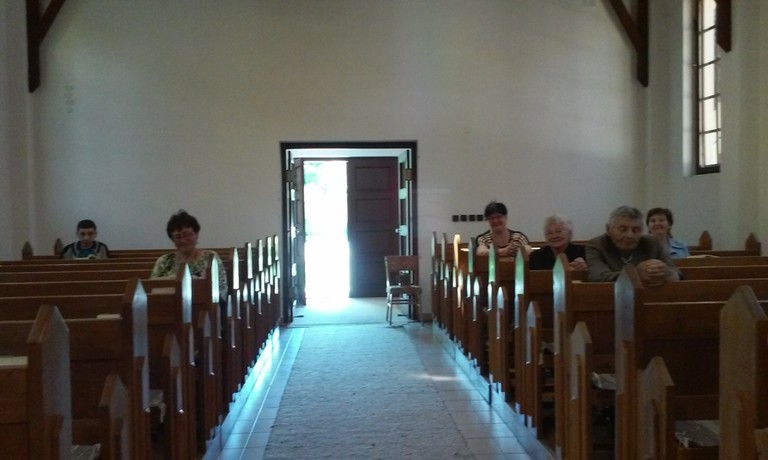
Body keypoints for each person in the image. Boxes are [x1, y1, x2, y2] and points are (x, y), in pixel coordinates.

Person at [585, 205, 680, 286]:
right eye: (623, 229)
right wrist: (635, 274)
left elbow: (676, 273)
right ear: (608, 229)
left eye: (636, 230)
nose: (630, 235)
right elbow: (599, 277)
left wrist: (666, 273)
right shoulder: (597, 245)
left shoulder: (652, 243)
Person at [151, 210, 228, 301]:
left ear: (196, 235)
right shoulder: (164, 261)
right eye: (178, 237)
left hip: (204, 306)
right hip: (168, 306)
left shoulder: (210, 257)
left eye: (187, 235)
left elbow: (222, 289)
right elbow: (152, 290)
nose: (183, 240)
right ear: (172, 239)